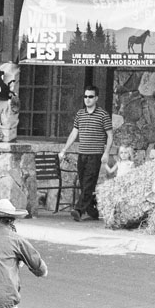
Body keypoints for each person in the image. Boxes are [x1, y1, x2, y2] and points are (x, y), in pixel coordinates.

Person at [59, 85, 113, 222]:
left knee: (88, 183)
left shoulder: (103, 115)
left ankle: (78, 210)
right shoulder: (80, 114)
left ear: (96, 98)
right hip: (82, 154)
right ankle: (93, 211)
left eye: (90, 96)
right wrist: (64, 149)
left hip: (95, 155)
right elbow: (74, 133)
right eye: (85, 96)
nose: (87, 99)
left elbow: (110, 135)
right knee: (84, 185)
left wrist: (106, 153)